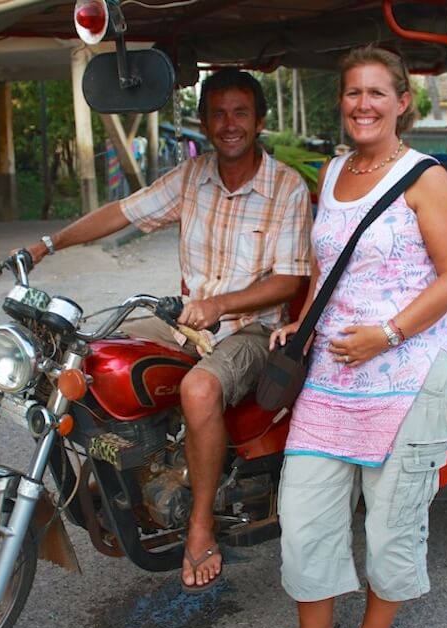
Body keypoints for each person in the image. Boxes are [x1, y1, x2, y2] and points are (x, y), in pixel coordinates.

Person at [20, 70, 312, 592]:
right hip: (186, 321)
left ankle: (199, 528)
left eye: (240, 113)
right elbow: (122, 212)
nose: (229, 124)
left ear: (259, 121)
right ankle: (124, 469)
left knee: (198, 390)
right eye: (218, 113)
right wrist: (48, 243)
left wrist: (220, 304)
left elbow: (291, 278)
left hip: (251, 330)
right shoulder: (190, 177)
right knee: (90, 356)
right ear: (203, 122)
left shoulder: (285, 187)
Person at [244, 47, 447, 628]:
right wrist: (308, 321)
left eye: (377, 93)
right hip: (332, 374)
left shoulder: (425, 177)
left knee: (391, 520)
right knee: (305, 506)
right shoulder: (336, 170)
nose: (363, 104)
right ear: (341, 103)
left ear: (403, 102)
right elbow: (330, 261)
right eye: (352, 93)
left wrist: (388, 334)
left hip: (406, 371)